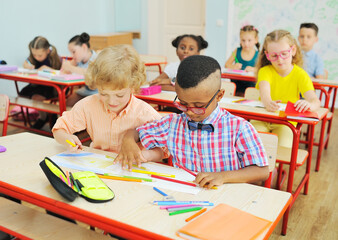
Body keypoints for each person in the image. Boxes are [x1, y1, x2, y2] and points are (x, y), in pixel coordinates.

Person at [117, 55, 269, 189]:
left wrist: (222, 176)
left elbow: (261, 171)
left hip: (225, 198)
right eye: (183, 103)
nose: (189, 111)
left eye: (199, 106)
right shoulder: (173, 124)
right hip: (185, 194)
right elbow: (137, 131)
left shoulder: (239, 128)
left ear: (219, 96)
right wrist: (128, 140)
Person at [52, 45, 163, 161]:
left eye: (119, 95)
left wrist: (144, 156)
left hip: (132, 169)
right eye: (103, 93)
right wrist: (67, 139)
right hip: (98, 164)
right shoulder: (88, 105)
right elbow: (59, 129)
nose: (112, 101)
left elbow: (163, 150)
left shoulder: (145, 113)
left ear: (133, 87)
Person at [252, 29, 321, 148]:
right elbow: (265, 93)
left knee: (283, 146)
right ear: (267, 55)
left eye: (284, 54)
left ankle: (274, 167)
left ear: (293, 50)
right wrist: (268, 102)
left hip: (286, 122)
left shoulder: (301, 75)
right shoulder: (265, 71)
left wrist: (309, 105)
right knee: (254, 143)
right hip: (262, 117)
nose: (279, 59)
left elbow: (315, 101)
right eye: (274, 55)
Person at [21, 36, 62, 129]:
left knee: (36, 97)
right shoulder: (34, 56)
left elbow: (61, 73)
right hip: (38, 84)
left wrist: (49, 70)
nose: (36, 57)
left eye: (39, 55)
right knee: (23, 95)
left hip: (52, 87)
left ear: (47, 51)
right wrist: (27, 65)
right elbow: (26, 62)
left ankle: (45, 117)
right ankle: (45, 116)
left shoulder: (54, 58)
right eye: (34, 55)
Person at [61, 32, 98, 106]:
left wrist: (70, 67)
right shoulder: (78, 59)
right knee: (70, 101)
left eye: (74, 52)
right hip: (86, 90)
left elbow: (88, 73)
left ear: (84, 47)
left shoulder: (96, 58)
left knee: (88, 105)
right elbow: (65, 70)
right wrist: (66, 67)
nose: (72, 55)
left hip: (97, 91)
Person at [225, 25, 260, 95]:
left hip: (251, 90)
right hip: (236, 88)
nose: (246, 43)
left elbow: (261, 69)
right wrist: (233, 66)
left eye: (249, 40)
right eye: (243, 40)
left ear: (256, 40)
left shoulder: (258, 54)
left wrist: (253, 69)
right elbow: (226, 65)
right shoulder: (237, 51)